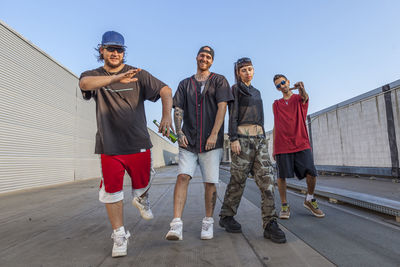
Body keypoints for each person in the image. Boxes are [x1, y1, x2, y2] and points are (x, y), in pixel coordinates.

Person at [79, 31, 173, 257]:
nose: (115, 53)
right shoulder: (94, 75)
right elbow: (84, 83)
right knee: (112, 192)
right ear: (101, 50)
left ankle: (142, 198)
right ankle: (119, 236)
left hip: (138, 141)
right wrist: (114, 78)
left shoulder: (137, 74)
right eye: (110, 49)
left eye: (119, 50)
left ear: (124, 52)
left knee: (143, 184)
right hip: (110, 145)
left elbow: (166, 90)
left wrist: (166, 115)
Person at [165, 46, 233, 241]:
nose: (205, 58)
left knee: (210, 182)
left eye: (208, 56)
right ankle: (176, 224)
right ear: (196, 57)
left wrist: (214, 134)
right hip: (189, 139)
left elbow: (222, 108)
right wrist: (179, 132)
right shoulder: (185, 84)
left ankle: (208, 222)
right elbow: (178, 109)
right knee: (182, 177)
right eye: (202, 55)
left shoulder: (219, 80)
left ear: (212, 61)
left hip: (211, 142)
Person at [218, 58, 286, 244]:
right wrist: (233, 138)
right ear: (238, 73)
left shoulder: (257, 92)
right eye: (243, 70)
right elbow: (233, 114)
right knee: (237, 181)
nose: (247, 72)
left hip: (259, 141)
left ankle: (270, 223)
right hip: (242, 140)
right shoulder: (235, 89)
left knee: (268, 181)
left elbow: (261, 118)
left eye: (250, 69)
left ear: (254, 71)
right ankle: (226, 216)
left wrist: (263, 139)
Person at [272, 74, 325, 220]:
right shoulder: (276, 104)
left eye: (283, 82)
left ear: (288, 82)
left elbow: (305, 97)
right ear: (277, 89)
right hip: (282, 144)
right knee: (281, 176)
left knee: (312, 172)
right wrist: (274, 148)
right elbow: (276, 125)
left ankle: (309, 198)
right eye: (278, 85)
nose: (282, 86)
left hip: (301, 142)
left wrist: (302, 89)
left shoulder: (298, 99)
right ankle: (284, 205)